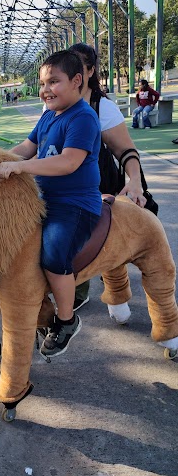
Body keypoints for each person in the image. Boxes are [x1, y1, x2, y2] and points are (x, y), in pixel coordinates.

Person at [0, 50, 102, 358]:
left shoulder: (83, 117)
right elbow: (27, 148)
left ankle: (66, 320)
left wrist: (20, 168)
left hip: (74, 205)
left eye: (54, 81)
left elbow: (68, 162)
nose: (46, 90)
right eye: (43, 83)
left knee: (54, 256)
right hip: (43, 201)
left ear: (77, 81)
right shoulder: (47, 116)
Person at [68, 43, 147, 311]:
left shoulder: (103, 108)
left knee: (106, 247)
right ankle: (76, 291)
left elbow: (125, 151)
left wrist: (134, 181)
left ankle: (115, 293)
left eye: (78, 66)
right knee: (69, 243)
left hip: (99, 190)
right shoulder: (54, 106)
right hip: (65, 192)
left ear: (90, 71)